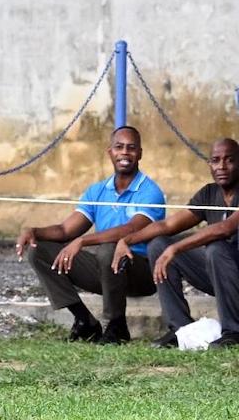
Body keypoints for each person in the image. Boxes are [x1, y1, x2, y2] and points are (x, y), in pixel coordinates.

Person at [16, 126, 166, 344]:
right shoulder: (98, 191)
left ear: (140, 154)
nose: (125, 153)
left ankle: (116, 327)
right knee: (38, 251)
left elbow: (132, 229)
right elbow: (66, 230)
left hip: (140, 271)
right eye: (119, 147)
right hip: (106, 269)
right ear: (110, 152)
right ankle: (85, 320)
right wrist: (34, 231)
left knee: (109, 248)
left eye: (131, 148)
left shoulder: (150, 191)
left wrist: (83, 240)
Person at [111, 138, 239, 349]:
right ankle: (180, 329)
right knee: (158, 245)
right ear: (209, 164)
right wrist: (127, 240)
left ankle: (233, 332)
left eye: (230, 160)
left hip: (231, 270)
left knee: (216, 248)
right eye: (215, 160)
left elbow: (224, 228)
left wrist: (176, 247)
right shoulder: (209, 193)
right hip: (222, 275)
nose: (222, 166)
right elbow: (168, 224)